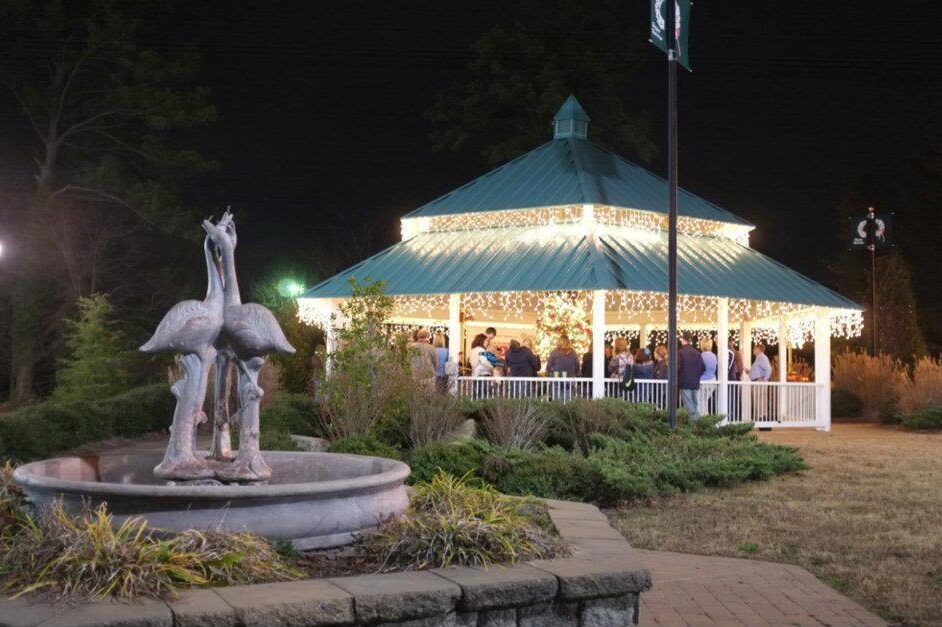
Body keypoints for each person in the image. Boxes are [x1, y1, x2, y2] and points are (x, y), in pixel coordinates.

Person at [677, 334, 705, 422]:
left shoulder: (680, 352)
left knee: (689, 405)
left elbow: (677, 368)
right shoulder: (697, 353)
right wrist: (696, 376)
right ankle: (697, 424)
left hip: (684, 382)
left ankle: (694, 424)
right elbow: (703, 368)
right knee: (695, 404)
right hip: (695, 383)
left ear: (682, 340)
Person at [750, 343, 773, 421]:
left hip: (760, 383)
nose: (753, 350)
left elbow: (768, 368)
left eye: (754, 349)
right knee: (758, 401)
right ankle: (760, 418)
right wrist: (748, 371)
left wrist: (765, 379)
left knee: (760, 401)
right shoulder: (758, 358)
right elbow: (758, 370)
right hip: (756, 382)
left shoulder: (762, 357)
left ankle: (762, 418)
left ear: (759, 349)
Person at [699, 338, 718, 414]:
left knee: (700, 400)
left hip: (703, 382)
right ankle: (705, 416)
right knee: (705, 400)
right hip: (713, 381)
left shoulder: (701, 356)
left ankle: (701, 418)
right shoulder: (714, 356)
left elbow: (699, 369)